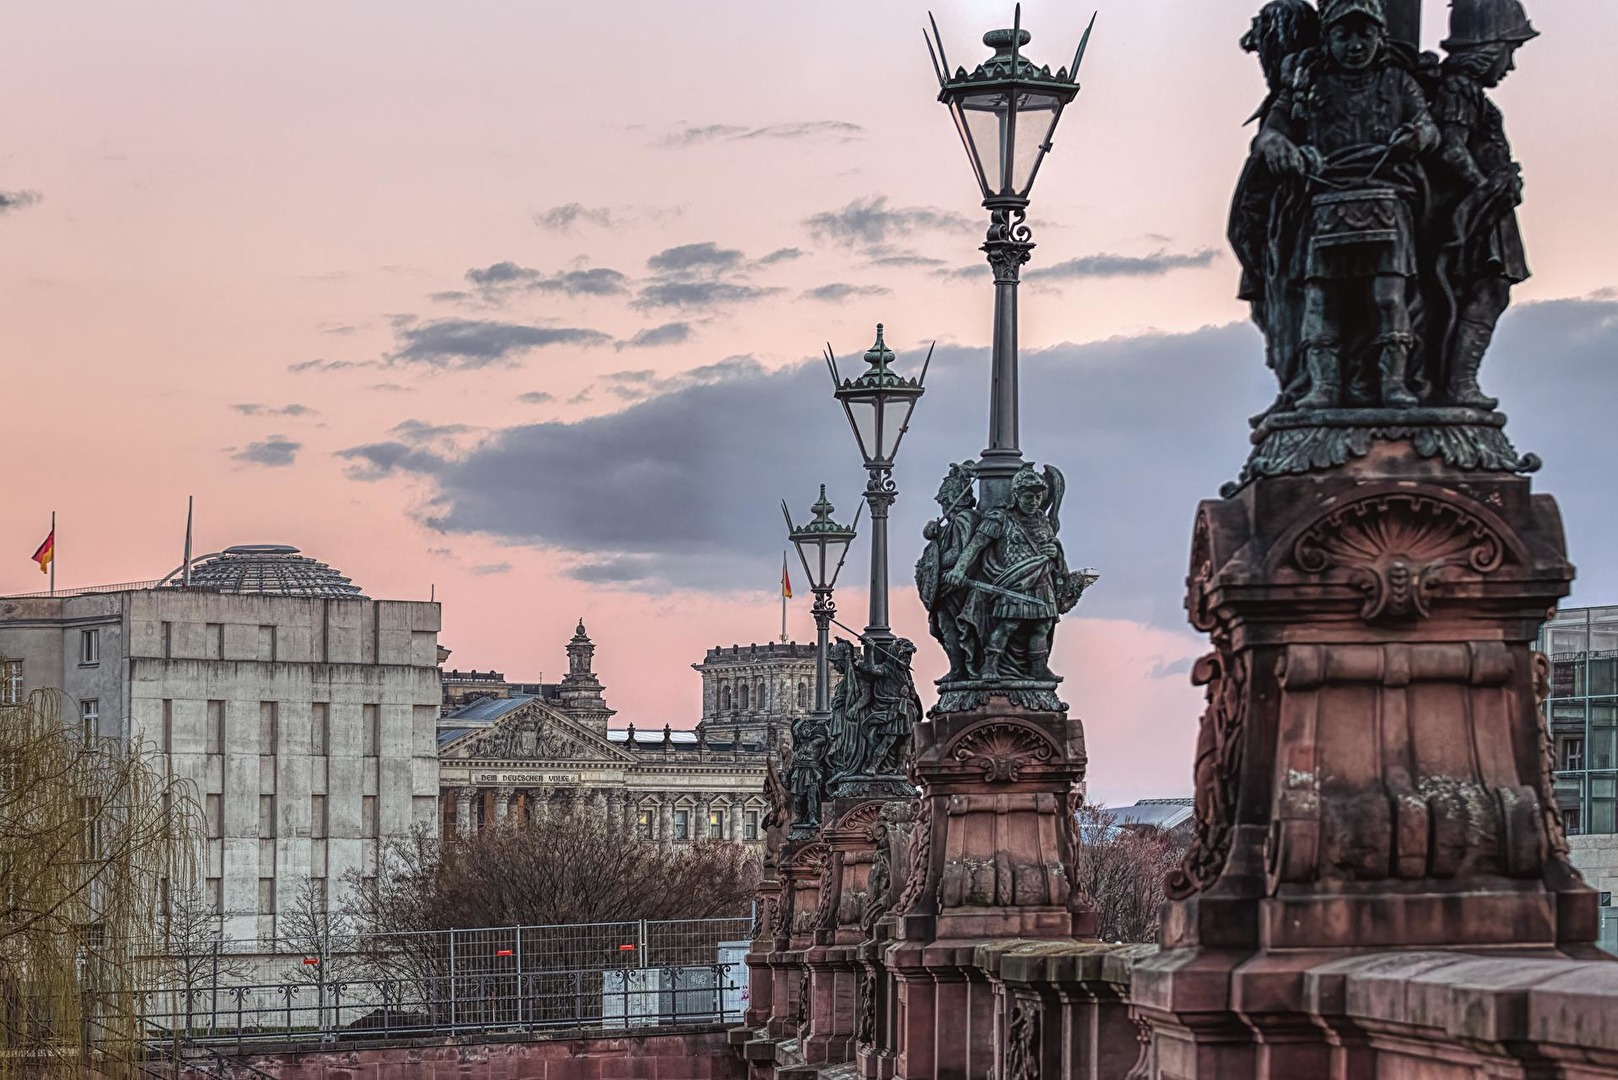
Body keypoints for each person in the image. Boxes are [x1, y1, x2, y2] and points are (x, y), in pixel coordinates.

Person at [1254, 0, 1439, 410]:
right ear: (1328, 38)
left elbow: (1428, 128)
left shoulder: (1397, 82)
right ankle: (1323, 386)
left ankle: (1393, 383)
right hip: (1324, 201)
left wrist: (1416, 137)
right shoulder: (1308, 85)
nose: (1355, 45)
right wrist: (1282, 147)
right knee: (1322, 300)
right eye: (1343, 35)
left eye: (1364, 34)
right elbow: (1268, 135)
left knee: (1389, 297)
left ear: (1379, 36)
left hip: (1386, 201)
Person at [1430, 0, 1537, 409]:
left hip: (1489, 206)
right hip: (1477, 210)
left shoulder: (1469, 92)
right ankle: (1459, 383)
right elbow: (1452, 148)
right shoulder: (1459, 89)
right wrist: (1485, 185)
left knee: (1491, 291)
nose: (1509, 67)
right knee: (1486, 290)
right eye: (1509, 52)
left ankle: (1460, 382)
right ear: (1487, 47)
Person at [945, 467, 1076, 682]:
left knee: (1042, 625)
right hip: (1012, 582)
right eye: (1028, 497)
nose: (1033, 501)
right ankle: (990, 665)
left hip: (1041, 580)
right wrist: (959, 569)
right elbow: (976, 546)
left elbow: (1051, 546)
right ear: (1016, 495)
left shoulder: (1043, 520)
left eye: (1037, 496)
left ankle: (1038, 668)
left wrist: (1054, 553)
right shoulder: (1000, 518)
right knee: (1008, 625)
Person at [915, 463, 981, 683]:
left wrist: (935, 562)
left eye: (945, 501)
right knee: (941, 628)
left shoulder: (966, 519)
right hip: (944, 588)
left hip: (956, 586)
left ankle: (960, 669)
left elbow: (959, 552)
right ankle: (957, 669)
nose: (943, 507)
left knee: (950, 627)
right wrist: (933, 536)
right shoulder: (951, 524)